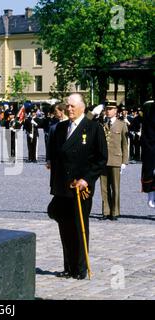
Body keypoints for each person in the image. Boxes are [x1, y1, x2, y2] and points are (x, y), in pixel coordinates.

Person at [47, 93, 107, 280]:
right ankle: (69, 266)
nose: (69, 109)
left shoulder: (93, 128)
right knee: (64, 228)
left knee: (79, 227)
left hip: (80, 187)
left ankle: (80, 267)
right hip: (62, 187)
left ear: (83, 107)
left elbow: (101, 159)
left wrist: (87, 179)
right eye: (67, 106)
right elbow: (55, 156)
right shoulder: (60, 128)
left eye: (73, 106)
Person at [100, 101, 128, 220]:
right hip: (103, 161)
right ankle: (106, 211)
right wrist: (93, 113)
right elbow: (87, 121)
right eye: (106, 109)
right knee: (104, 188)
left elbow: (125, 144)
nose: (108, 111)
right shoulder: (101, 123)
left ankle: (115, 212)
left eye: (110, 109)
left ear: (116, 111)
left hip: (116, 159)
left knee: (115, 187)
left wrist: (124, 161)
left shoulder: (121, 125)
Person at [141, 100, 155, 208]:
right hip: (150, 151)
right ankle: (151, 194)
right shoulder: (149, 117)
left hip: (150, 150)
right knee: (150, 175)